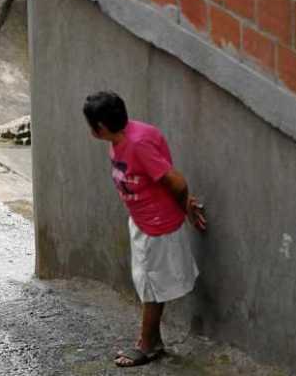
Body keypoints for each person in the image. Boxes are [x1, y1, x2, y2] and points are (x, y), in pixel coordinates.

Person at [83, 91, 206, 368]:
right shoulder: (125, 136)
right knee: (147, 282)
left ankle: (147, 345)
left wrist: (185, 207)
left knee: (151, 287)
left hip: (156, 226)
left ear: (99, 127)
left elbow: (176, 181)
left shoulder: (138, 144)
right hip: (141, 220)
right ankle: (155, 340)